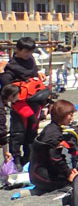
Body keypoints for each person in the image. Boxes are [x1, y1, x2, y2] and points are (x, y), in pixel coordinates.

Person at [1, 38, 48, 168]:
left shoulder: (31, 61)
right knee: (18, 133)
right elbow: (6, 87)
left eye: (30, 52)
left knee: (32, 132)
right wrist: (21, 88)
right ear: (17, 50)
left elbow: (33, 72)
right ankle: (15, 158)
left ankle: (29, 158)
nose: (28, 55)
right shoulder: (11, 66)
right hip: (20, 104)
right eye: (26, 52)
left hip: (35, 101)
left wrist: (37, 75)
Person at [29, 99, 78, 193]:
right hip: (41, 176)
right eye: (70, 115)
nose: (72, 118)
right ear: (62, 115)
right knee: (74, 184)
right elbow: (56, 159)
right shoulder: (53, 135)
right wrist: (68, 174)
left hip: (39, 172)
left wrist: (69, 171)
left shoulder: (52, 128)